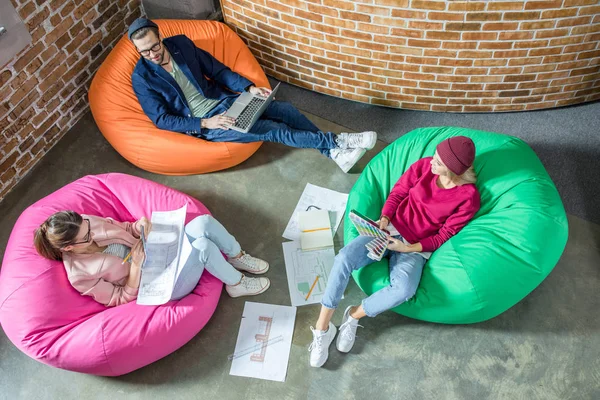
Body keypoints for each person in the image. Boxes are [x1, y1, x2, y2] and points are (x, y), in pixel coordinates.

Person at [308, 136, 481, 367]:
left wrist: (407, 248)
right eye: (435, 156)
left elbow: (443, 236)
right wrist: (385, 217)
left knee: (404, 289)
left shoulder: (468, 198)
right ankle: (323, 329)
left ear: (452, 170)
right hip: (389, 228)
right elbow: (398, 192)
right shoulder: (423, 166)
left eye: (438, 162)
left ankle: (353, 316)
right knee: (344, 258)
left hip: (415, 248)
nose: (432, 162)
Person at [128, 18, 377, 173]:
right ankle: (338, 142)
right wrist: (205, 123)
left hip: (225, 100)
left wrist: (248, 88)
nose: (152, 55)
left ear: (161, 37)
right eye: (145, 52)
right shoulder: (142, 77)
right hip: (207, 123)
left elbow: (217, 70)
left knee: (285, 110)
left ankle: (333, 152)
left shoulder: (180, 44)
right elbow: (162, 120)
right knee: (272, 129)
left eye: (154, 46)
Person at [34, 212, 271, 307]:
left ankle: (236, 256)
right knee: (203, 247)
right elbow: (118, 299)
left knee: (204, 222)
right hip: (155, 284)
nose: (92, 231)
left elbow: (125, 226)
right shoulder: (79, 275)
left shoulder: (85, 223)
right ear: (69, 247)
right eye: (86, 236)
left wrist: (139, 226)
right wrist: (136, 268)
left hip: (157, 252)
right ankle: (237, 284)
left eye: (87, 225)